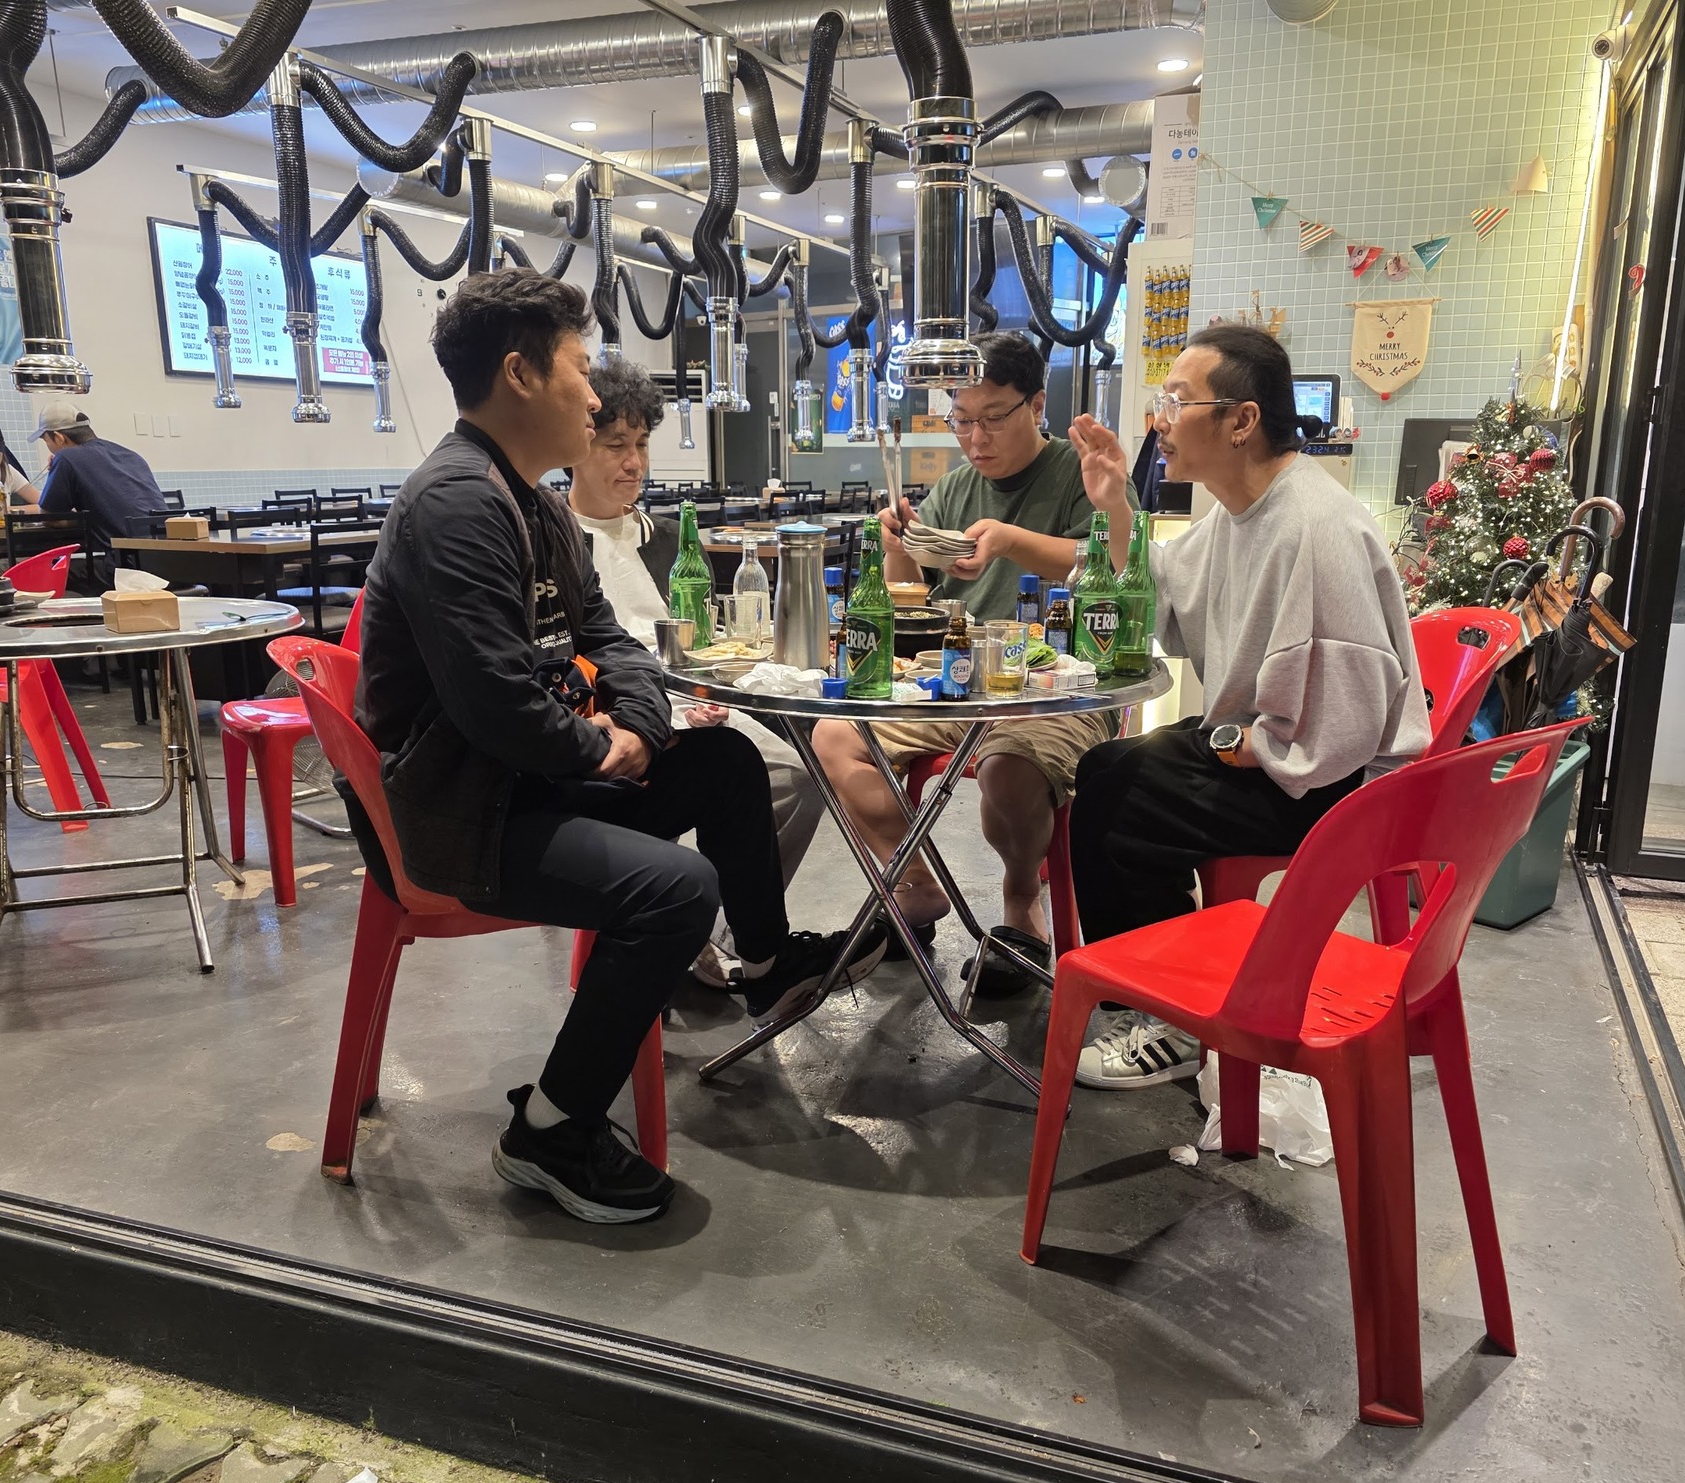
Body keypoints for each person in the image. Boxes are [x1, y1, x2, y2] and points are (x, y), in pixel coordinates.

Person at [353, 270, 876, 1225]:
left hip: (525, 783)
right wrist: (594, 752)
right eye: (579, 370)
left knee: (724, 764)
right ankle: (551, 1129)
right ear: (520, 374)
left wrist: (636, 728)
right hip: (466, 816)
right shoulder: (455, 504)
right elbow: (496, 705)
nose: (594, 399)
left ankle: (765, 966)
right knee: (675, 890)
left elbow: (618, 644)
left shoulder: (536, 505)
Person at [1063, 323, 1431, 1089]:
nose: (1159, 420)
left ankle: (1173, 1017)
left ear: (1241, 420)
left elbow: (1351, 717)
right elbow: (1159, 598)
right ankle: (1157, 992)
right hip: (1280, 753)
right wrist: (1116, 507)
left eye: (1177, 401)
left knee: (1122, 799)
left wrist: (1241, 744)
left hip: (1332, 786)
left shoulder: (1313, 526)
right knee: (1104, 768)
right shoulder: (1241, 513)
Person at [811, 331, 1129, 997]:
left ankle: (1021, 905)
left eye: (992, 418)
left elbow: (1111, 564)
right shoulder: (956, 489)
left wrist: (1009, 541)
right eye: (960, 419)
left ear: (1035, 405)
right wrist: (897, 547)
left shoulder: (1078, 475)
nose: (975, 439)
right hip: (953, 681)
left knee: (1009, 769)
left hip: (1055, 687)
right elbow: (909, 598)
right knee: (835, 737)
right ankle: (914, 885)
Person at [562, 356, 830, 989]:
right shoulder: (558, 537)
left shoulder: (661, 536)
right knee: (740, 773)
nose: (634, 462)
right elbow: (581, 659)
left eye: (641, 444)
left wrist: (707, 685)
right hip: (616, 717)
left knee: (801, 774)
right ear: (578, 446)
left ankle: (734, 926)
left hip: (688, 697)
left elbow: (692, 635)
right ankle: (698, 931)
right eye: (616, 445)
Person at [30, 398, 165, 573]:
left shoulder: (67, 458)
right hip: (168, 562)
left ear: (59, 437)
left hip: (126, 567)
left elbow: (49, 518)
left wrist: (56, 471)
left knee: (36, 570)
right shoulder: (131, 455)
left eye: (46, 440)